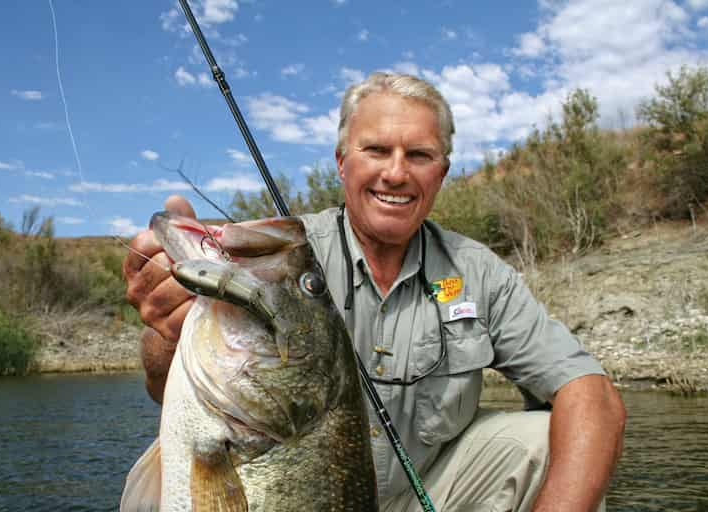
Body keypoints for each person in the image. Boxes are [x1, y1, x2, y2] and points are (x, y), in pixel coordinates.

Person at [123, 72, 626, 512]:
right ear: (342, 163)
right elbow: (162, 384)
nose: (396, 172)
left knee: (543, 440)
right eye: (377, 150)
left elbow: (590, 393)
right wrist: (169, 325)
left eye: (420, 155)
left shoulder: (477, 271)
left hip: (430, 493)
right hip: (282, 478)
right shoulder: (278, 261)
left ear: (441, 173)